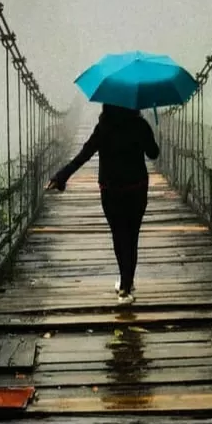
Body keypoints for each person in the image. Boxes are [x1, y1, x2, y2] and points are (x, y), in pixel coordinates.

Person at [46, 103, 160, 305]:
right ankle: (126, 283)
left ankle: (125, 284)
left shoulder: (104, 126)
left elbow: (84, 154)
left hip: (111, 191)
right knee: (132, 236)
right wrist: (149, 134)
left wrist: (61, 176)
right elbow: (153, 154)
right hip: (137, 189)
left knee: (118, 234)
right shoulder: (140, 125)